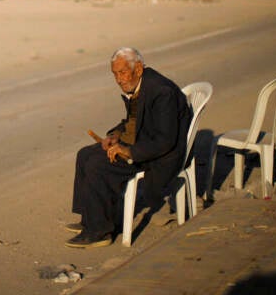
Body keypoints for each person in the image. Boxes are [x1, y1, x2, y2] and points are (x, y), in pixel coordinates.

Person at [65, 47, 192, 248]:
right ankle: (90, 219)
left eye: (122, 72)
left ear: (138, 68)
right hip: (143, 141)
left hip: (158, 156)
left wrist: (128, 151)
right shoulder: (141, 84)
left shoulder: (161, 91)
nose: (118, 79)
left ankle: (100, 231)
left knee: (97, 164)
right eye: (115, 74)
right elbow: (133, 121)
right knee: (85, 154)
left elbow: (165, 141)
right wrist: (115, 136)